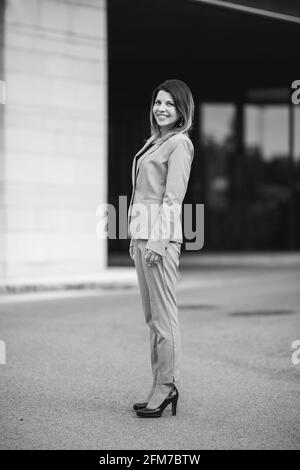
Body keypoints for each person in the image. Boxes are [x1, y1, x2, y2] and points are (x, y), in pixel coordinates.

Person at [127, 79, 194, 418]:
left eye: (169, 103)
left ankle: (167, 386)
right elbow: (142, 194)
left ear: (182, 110)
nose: (162, 108)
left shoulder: (179, 144)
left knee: (164, 317)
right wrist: (134, 238)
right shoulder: (156, 141)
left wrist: (157, 240)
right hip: (143, 237)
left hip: (161, 240)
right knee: (152, 318)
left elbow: (172, 198)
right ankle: (158, 382)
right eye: (158, 102)